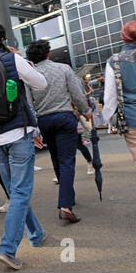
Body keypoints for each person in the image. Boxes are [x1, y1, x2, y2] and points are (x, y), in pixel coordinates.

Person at [0, 23, 47, 270]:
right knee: (21, 192)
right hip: (18, 132)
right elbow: (41, 83)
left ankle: (35, 234)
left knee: (16, 193)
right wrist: (20, 59)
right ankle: (7, 248)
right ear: (3, 39)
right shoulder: (12, 60)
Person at [25, 39, 92, 224]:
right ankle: (65, 206)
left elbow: (29, 105)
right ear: (48, 53)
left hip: (44, 120)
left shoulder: (29, 75)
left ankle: (68, 195)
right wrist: (86, 111)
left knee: (56, 158)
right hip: (64, 117)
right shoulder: (63, 69)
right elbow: (77, 94)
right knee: (67, 161)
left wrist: (35, 129)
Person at [102, 20, 136, 186]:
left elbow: (110, 98)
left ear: (123, 37)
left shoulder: (115, 61)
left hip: (133, 120)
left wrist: (110, 122)